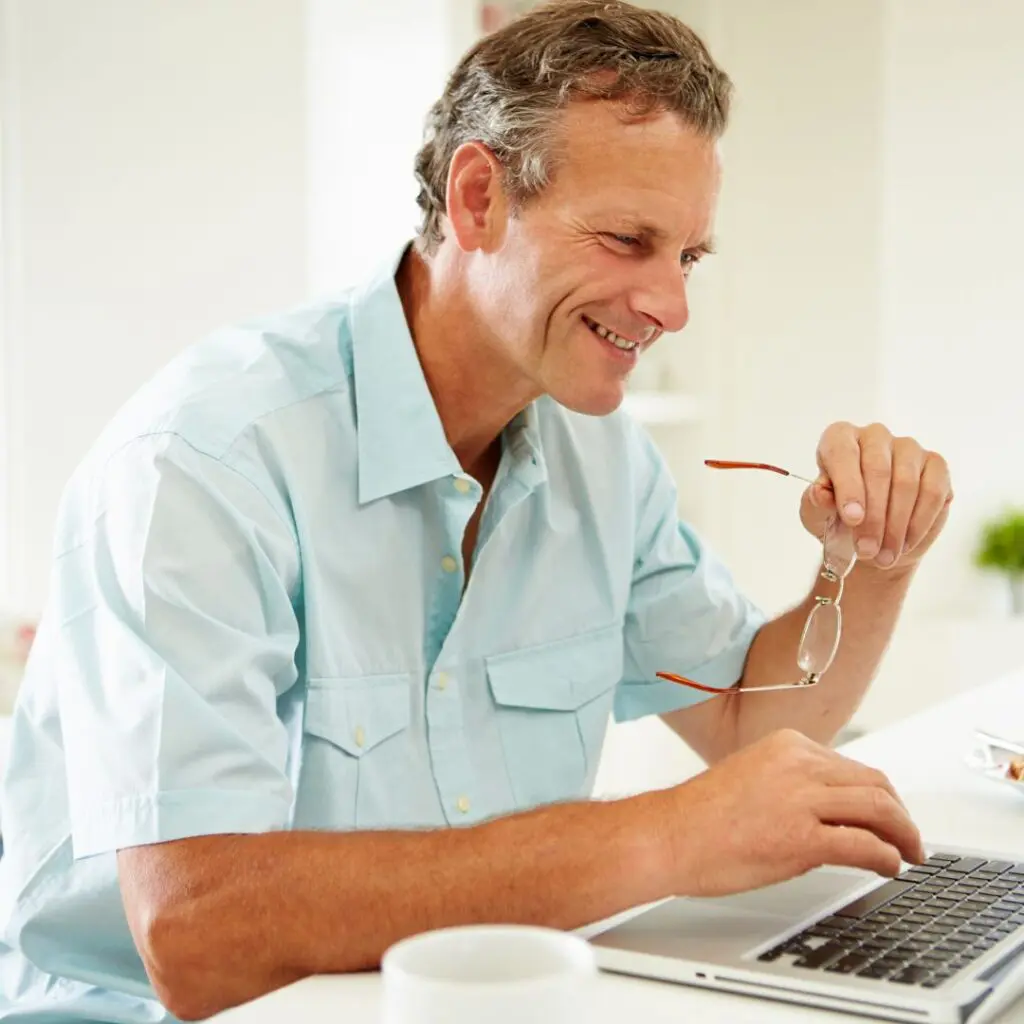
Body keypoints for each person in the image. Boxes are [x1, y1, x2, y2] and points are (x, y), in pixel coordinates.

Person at [0, 1, 953, 1020]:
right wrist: (664, 838)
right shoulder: (204, 464)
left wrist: (870, 563)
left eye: (687, 257)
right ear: (476, 197)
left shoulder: (600, 456)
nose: (672, 306)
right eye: (628, 238)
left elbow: (746, 726)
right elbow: (198, 939)